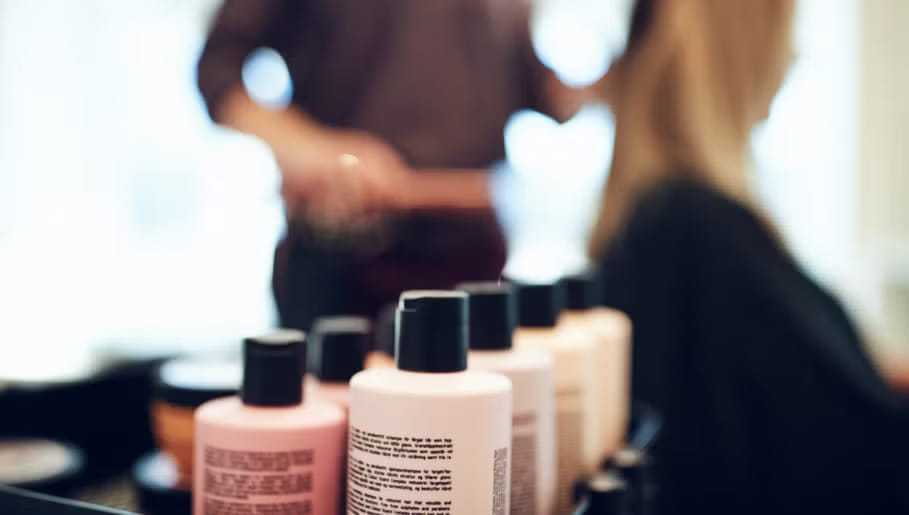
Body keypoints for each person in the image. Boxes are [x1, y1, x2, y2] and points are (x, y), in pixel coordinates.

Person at [588, 1, 909, 514]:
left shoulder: (663, 222)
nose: (795, 53)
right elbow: (851, 446)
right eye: (787, 31)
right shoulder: (698, 232)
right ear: (741, 44)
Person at [197, 0, 580, 329]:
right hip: (347, 269)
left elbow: (545, 93)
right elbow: (218, 72)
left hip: (477, 264)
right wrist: (315, 149)